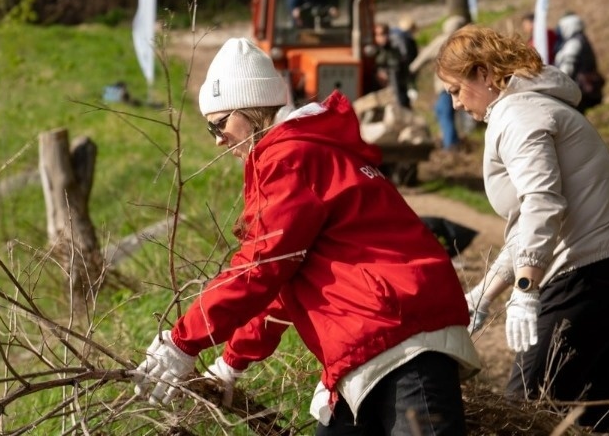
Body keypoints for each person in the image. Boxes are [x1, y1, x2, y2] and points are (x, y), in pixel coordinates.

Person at [132, 38, 480, 435]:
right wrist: (231, 362)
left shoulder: (288, 158)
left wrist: (184, 341)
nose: (216, 139)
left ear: (250, 108)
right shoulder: (310, 150)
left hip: (397, 337)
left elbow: (260, 266)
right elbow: (282, 279)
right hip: (378, 338)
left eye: (220, 123)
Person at [435, 25, 609, 435]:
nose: (456, 104)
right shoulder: (536, 107)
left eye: (454, 89)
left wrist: (526, 288)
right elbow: (528, 224)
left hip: (586, 277)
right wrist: (483, 295)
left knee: (528, 415)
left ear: (483, 74)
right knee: (599, 415)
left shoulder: (517, 115)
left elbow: (543, 203)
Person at [409, 15, 467, 150]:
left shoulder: (443, 41)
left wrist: (411, 69)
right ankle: (452, 141)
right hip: (464, 84)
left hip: (447, 85)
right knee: (443, 111)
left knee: (444, 112)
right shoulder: (466, 41)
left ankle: (451, 146)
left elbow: (424, 56)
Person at [554, 13, 605, 113]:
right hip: (581, 88)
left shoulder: (574, 43)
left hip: (577, 88)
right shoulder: (582, 40)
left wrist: (557, 84)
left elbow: (567, 65)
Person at [373, 22, 411, 108]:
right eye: (377, 35)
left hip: (397, 78)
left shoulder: (394, 45)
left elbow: (395, 63)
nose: (379, 38)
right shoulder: (379, 48)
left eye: (381, 34)